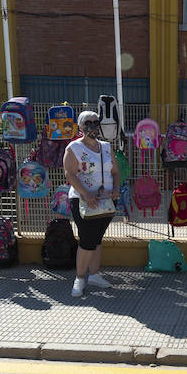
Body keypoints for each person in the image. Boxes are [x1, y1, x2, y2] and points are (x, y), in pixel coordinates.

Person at [63, 110, 121, 298]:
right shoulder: (74, 148)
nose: (93, 126)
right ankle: (79, 279)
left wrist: (117, 189)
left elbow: (116, 172)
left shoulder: (106, 147)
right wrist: (86, 194)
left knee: (97, 239)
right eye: (89, 123)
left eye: (96, 122)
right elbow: (70, 174)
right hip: (83, 201)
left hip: (106, 201)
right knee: (87, 241)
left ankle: (94, 275)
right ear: (80, 126)